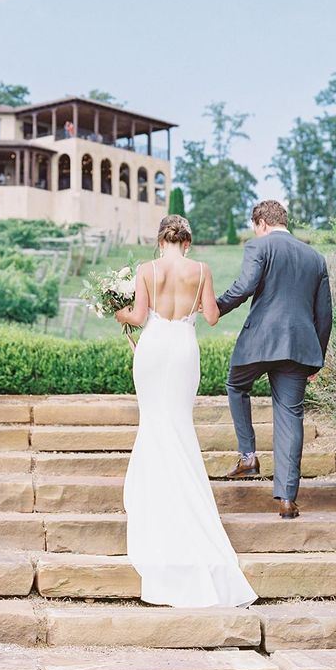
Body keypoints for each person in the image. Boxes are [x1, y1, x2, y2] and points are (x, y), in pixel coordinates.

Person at [115, 215, 257, 609]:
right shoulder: (201, 270)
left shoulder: (147, 270)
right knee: (178, 422)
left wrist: (119, 314)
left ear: (160, 241)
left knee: (153, 421)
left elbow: (139, 317)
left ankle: (154, 495)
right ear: (187, 242)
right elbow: (211, 317)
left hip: (153, 348)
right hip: (183, 350)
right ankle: (187, 498)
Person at [216, 200, 332, 520]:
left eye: (254, 227)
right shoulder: (315, 257)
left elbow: (245, 286)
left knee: (236, 385)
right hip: (299, 348)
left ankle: (248, 456)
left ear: (262, 223)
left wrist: (216, 307)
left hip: (260, 342)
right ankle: (287, 499)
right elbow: (324, 314)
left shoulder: (260, 246)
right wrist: (317, 359)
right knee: (290, 417)